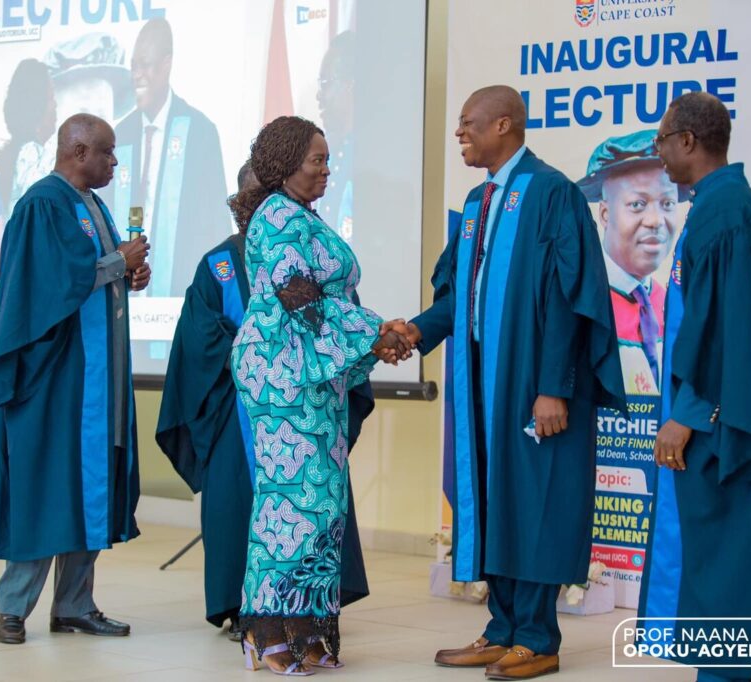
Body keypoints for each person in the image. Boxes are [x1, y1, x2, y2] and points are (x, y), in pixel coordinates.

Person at [384, 85, 625, 680]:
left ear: (504, 125)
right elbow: (459, 296)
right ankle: (503, 629)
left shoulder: (552, 193)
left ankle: (538, 638)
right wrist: (415, 330)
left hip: (531, 382)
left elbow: (569, 299)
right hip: (480, 386)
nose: (459, 133)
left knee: (535, 503)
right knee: (495, 503)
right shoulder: (477, 201)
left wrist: (554, 386)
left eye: (469, 123)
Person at [636, 92, 751, 682]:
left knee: (726, 559)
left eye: (661, 140)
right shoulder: (727, 205)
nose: (659, 153)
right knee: (729, 559)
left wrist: (688, 412)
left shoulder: (726, 214)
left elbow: (728, 332)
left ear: (687, 140)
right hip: (725, 411)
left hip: (723, 425)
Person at [156, 161, 371, 641]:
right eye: (254, 197)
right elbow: (199, 337)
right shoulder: (218, 265)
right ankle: (248, 612)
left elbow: (336, 312)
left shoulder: (312, 248)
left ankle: (308, 610)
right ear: (240, 202)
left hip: (309, 400)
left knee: (315, 501)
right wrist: (258, 348)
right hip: (240, 405)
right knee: (241, 501)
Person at [228, 116, 410, 676]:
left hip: (314, 374)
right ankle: (268, 632)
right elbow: (300, 298)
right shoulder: (276, 216)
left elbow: (327, 304)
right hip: (283, 376)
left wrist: (373, 337)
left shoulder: (303, 215)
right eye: (317, 160)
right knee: (290, 504)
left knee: (322, 505)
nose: (327, 170)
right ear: (286, 163)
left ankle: (307, 628)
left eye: (329, 159)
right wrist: (376, 332)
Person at [0, 114, 152, 645]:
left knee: (88, 489)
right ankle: (13, 608)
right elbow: (49, 284)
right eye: (107, 152)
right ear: (78, 152)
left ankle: (74, 604)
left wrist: (130, 274)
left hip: (96, 379)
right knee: (45, 487)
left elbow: (98, 273)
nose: (115, 162)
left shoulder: (93, 205)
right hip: (54, 379)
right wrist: (117, 262)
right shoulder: (42, 204)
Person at [114, 17, 229, 299]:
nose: (136, 75)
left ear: (166, 64)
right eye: (133, 66)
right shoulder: (121, 135)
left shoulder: (200, 132)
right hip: (123, 292)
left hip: (181, 291)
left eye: (145, 65)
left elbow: (215, 222)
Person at [577, 130, 686, 397]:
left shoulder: (672, 302)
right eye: (637, 204)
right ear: (605, 214)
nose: (656, 221)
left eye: (667, 203)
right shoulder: (581, 302)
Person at [0, 59, 58, 224]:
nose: (55, 105)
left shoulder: (19, 153)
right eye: (51, 97)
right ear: (38, 106)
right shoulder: (30, 156)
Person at [315, 30, 354, 242]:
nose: (319, 96)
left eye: (325, 83)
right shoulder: (332, 151)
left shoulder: (365, 158)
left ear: (350, 85)